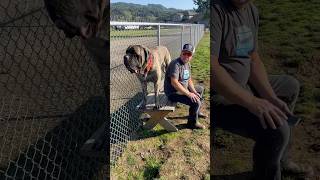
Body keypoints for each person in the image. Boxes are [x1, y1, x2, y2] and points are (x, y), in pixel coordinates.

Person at [211, 0, 313, 179]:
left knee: (289, 87)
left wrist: (270, 97)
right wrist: (251, 101)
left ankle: (280, 160)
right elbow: (211, 68)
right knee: (277, 130)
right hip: (218, 96)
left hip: (243, 85)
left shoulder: (251, 11)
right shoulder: (215, 10)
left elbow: (252, 58)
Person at [164, 43, 207, 129]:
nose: (186, 56)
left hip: (183, 89)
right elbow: (174, 83)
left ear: (191, 56)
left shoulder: (187, 64)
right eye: (184, 53)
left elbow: (189, 79)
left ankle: (196, 112)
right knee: (195, 102)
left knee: (200, 89)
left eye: (189, 54)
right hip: (173, 92)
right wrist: (188, 94)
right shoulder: (175, 64)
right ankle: (192, 123)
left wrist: (194, 91)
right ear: (181, 53)